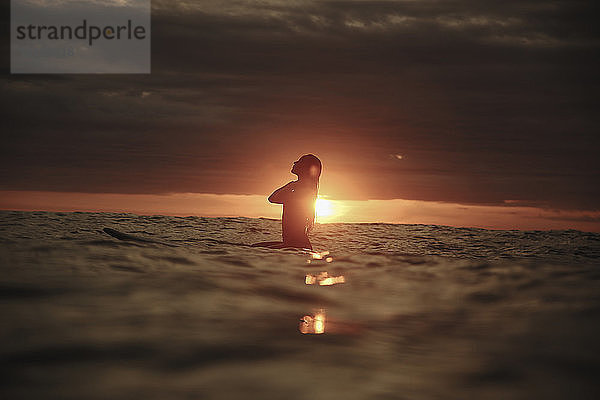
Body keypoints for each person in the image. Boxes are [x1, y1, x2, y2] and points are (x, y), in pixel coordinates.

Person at [252, 154, 322, 250]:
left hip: (298, 245)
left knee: (257, 249)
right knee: (256, 247)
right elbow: (272, 198)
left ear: (305, 168)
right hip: (293, 243)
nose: (295, 162)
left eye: (299, 161)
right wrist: (291, 185)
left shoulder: (302, 190)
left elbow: (273, 198)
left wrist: (290, 186)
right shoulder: (297, 187)